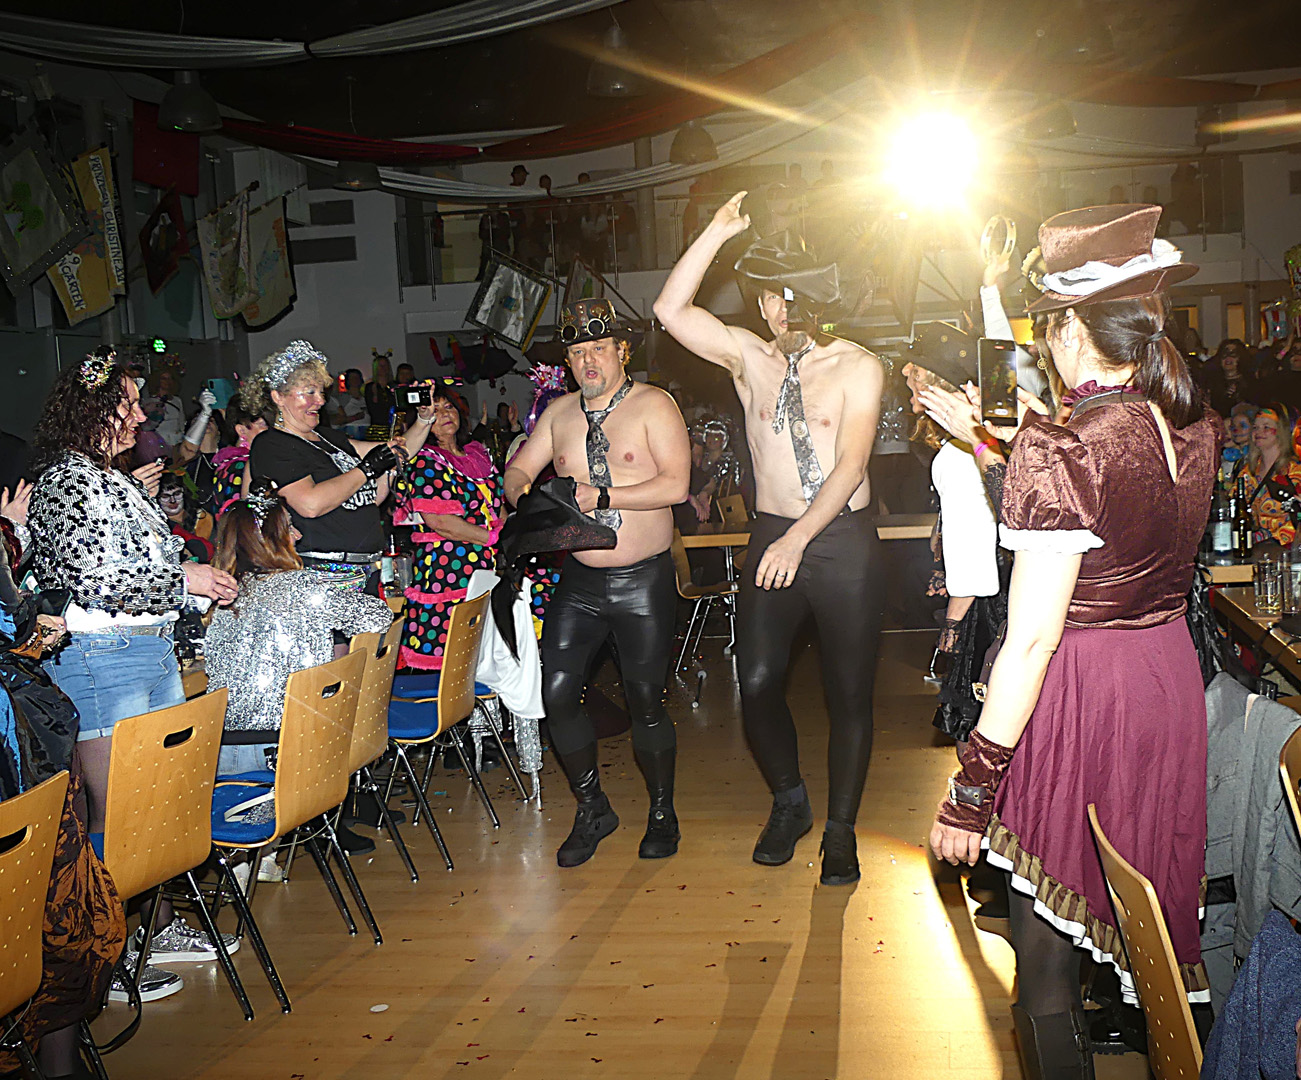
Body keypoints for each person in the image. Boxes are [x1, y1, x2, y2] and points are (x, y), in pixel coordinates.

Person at [927, 203, 1219, 1078]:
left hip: (1085, 691)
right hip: (1165, 680)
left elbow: (1029, 643)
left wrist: (970, 790)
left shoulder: (1066, 448)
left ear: (1064, 331)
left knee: (1043, 975)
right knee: (1144, 923)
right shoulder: (1188, 426)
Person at [654, 195, 884, 886]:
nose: (782, 311)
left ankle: (841, 830)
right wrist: (714, 232)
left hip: (840, 541)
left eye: (794, 297)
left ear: (818, 300)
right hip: (774, 531)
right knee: (755, 683)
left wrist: (799, 541)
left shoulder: (857, 366)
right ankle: (790, 802)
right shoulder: (747, 358)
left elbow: (850, 465)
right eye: (771, 299)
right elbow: (669, 309)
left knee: (848, 694)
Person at [28, 346, 240, 999]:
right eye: (127, 404)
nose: (141, 415)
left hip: (144, 651)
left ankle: (156, 927)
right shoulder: (66, 482)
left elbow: (140, 559)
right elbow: (92, 578)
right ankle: (104, 955)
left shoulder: (108, 478)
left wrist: (176, 564)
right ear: (93, 411)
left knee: (153, 809)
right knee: (116, 816)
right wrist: (183, 579)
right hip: (100, 657)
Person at [505, 298, 690, 867]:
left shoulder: (655, 404)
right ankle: (593, 809)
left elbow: (677, 486)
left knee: (645, 701)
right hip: (581, 582)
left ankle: (662, 813)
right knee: (557, 693)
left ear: (621, 351)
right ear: (568, 361)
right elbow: (518, 470)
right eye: (579, 352)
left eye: (599, 349)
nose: (589, 360)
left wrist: (603, 495)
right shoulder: (559, 414)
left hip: (644, 580)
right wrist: (529, 500)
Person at [205, 480, 394, 775]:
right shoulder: (300, 587)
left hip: (225, 746)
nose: (298, 535)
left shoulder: (217, 593)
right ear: (270, 540)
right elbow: (378, 617)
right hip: (286, 745)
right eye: (289, 528)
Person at [245, 341, 435, 574]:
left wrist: (424, 420)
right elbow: (310, 504)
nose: (321, 401)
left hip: (368, 566)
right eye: (310, 392)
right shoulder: (272, 444)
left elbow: (397, 452)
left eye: (321, 392)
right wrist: (367, 470)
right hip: (323, 573)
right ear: (278, 397)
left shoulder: (329, 437)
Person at [901, 325, 1001, 689]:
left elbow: (974, 544)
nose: (904, 374)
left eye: (914, 370)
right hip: (986, 595)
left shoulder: (959, 454)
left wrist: (952, 629)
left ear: (934, 383)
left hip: (979, 605)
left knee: (969, 714)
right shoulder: (967, 442)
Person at [395, 387, 501, 669]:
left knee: (488, 649)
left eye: (449, 407)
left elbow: (497, 503)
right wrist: (494, 538)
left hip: (487, 560)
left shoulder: (476, 453)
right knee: (454, 652)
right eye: (436, 410)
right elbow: (440, 522)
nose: (445, 414)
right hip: (450, 564)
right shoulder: (425, 460)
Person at [1242, 404, 1301, 545]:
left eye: (1266, 427)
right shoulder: (1247, 470)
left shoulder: (1295, 471)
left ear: (1281, 431)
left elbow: (1297, 520)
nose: (1258, 431)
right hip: (1251, 548)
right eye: (1255, 427)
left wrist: (1269, 537)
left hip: (1285, 549)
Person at [213, 401, 268, 514]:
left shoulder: (227, 462)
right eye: (262, 424)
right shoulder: (243, 465)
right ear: (241, 430)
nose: (269, 429)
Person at [364, 352, 396, 427]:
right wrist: (375, 395)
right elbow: (372, 409)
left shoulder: (394, 385)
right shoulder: (370, 387)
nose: (383, 368)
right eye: (380, 365)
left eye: (385, 365)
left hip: (394, 424)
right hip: (377, 425)